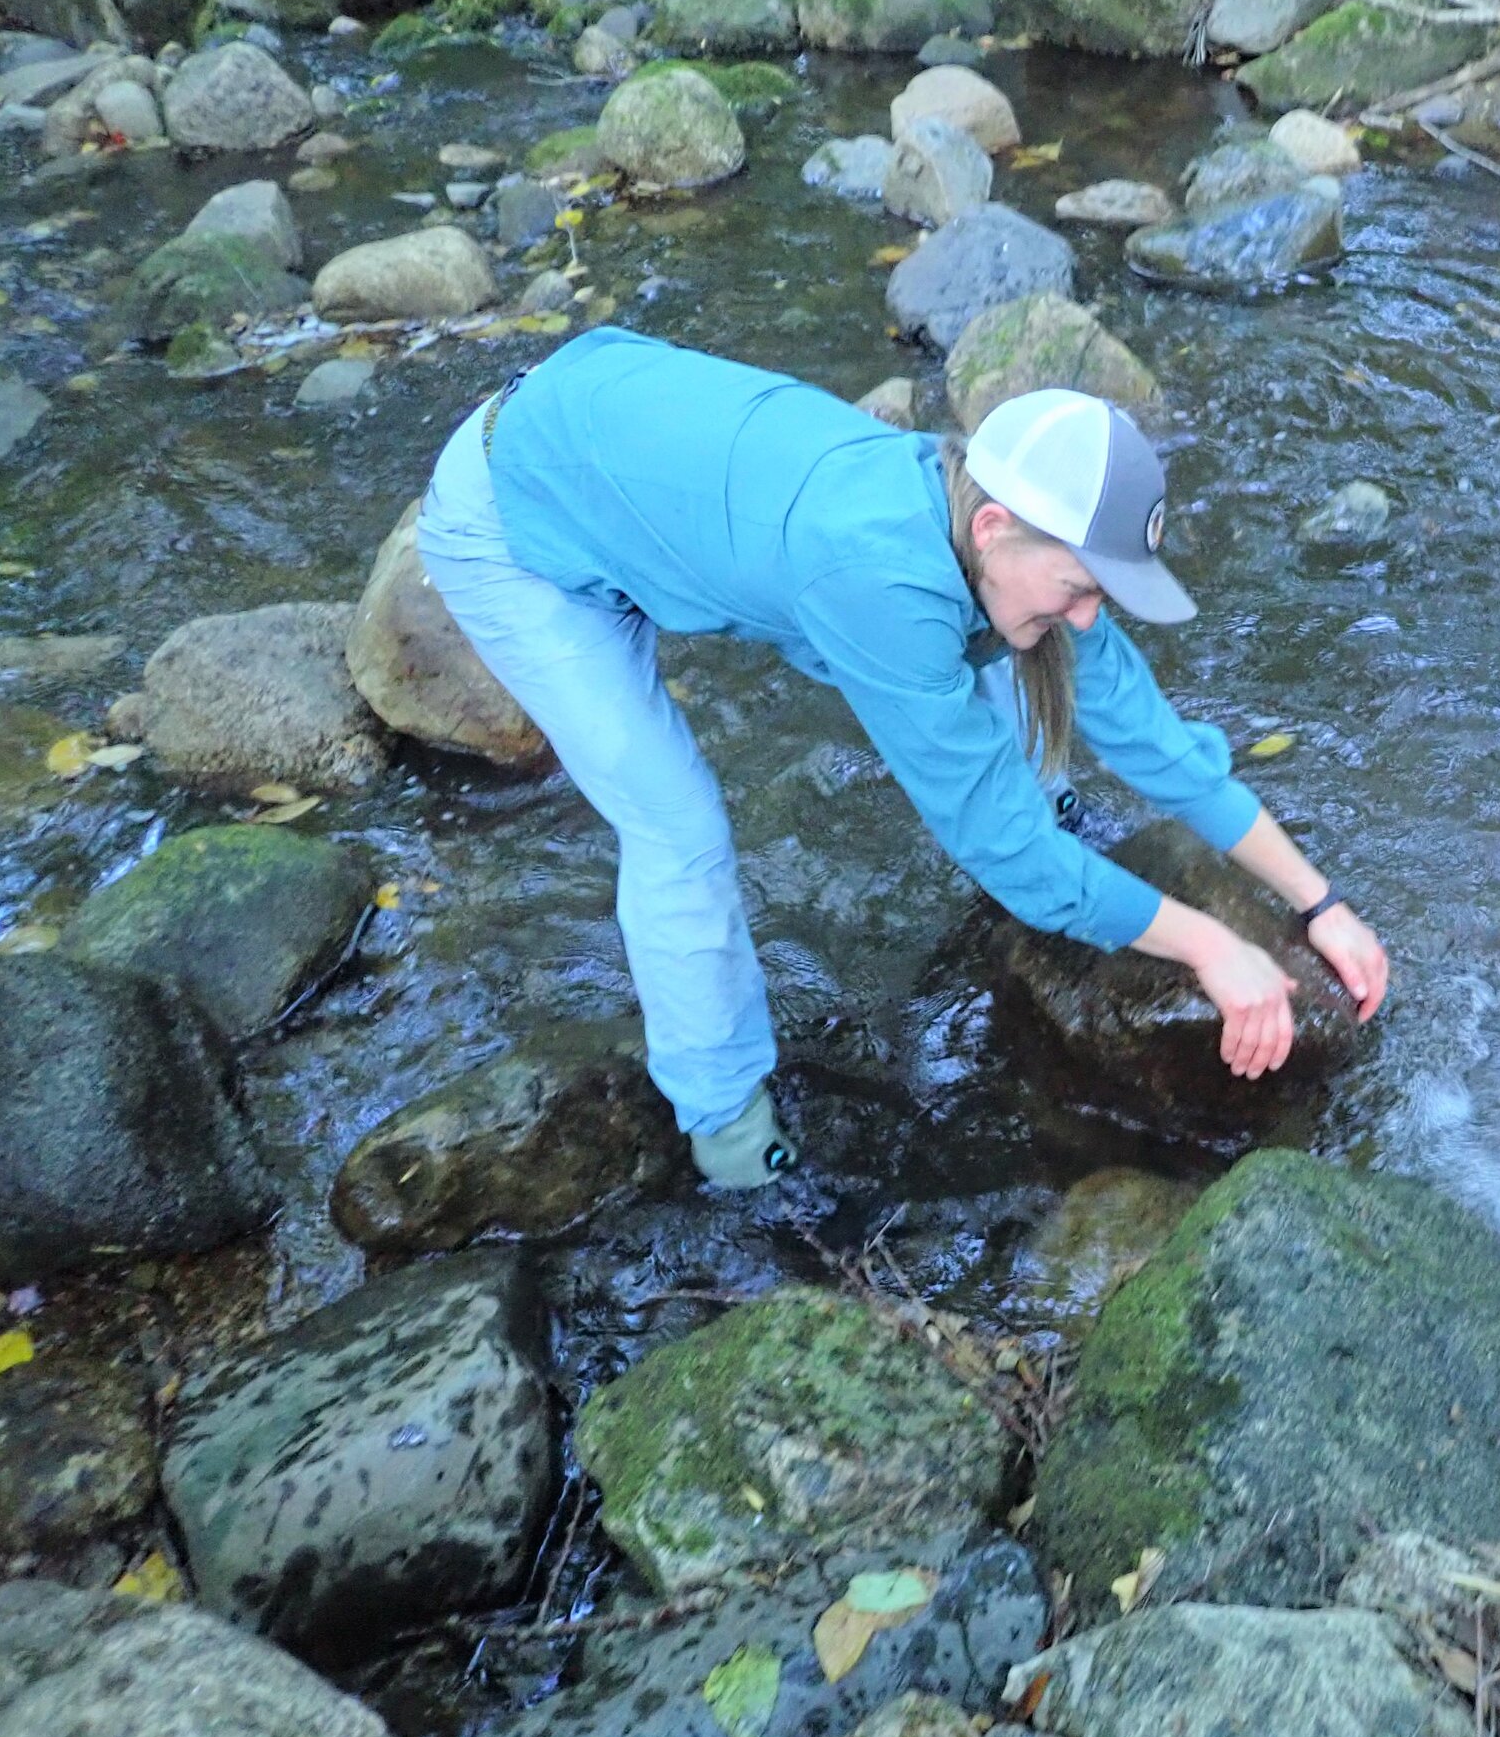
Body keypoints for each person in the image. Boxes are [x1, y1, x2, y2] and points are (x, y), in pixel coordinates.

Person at [411, 326, 1390, 1189]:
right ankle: (727, 1137)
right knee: (680, 829)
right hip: (518, 514)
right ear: (996, 527)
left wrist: (1321, 903)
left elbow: (1162, 747)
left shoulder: (992, 523)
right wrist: (1213, 945)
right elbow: (1000, 854)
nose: (1093, 615)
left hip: (626, 450)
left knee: (1016, 642)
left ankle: (1057, 808)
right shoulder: (879, 576)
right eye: (1082, 584)